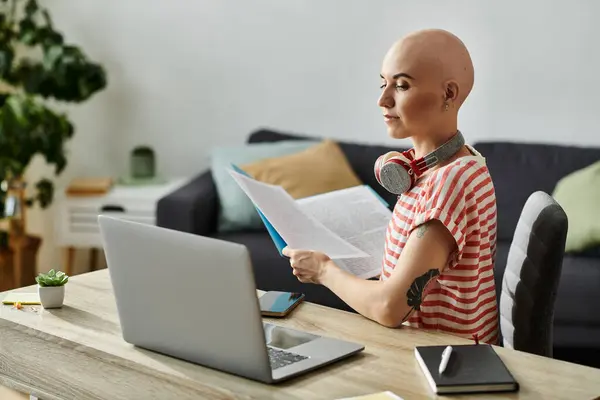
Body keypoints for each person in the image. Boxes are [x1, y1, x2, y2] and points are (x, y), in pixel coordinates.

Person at [282, 29, 499, 344]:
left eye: (402, 85)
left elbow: (390, 307)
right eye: (384, 83)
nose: (383, 100)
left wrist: (323, 271)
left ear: (449, 94)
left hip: (439, 361)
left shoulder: (449, 182)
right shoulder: (441, 166)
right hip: (425, 350)